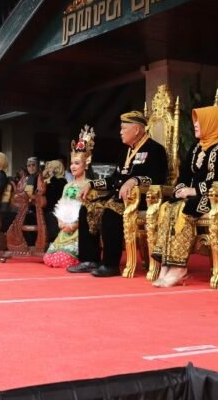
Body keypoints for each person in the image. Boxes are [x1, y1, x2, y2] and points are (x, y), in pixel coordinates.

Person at [68, 110, 168, 277]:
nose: (120, 132)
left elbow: (158, 178)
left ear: (136, 130)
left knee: (110, 211)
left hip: (142, 199)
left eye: (123, 128)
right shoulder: (126, 151)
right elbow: (115, 179)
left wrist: (135, 180)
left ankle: (110, 264)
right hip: (119, 196)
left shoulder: (154, 150)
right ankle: (89, 259)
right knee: (88, 207)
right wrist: (92, 184)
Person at [151, 106, 218, 287]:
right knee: (167, 207)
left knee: (184, 209)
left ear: (212, 123)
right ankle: (166, 264)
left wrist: (194, 191)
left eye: (199, 121)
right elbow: (184, 175)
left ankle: (179, 268)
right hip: (193, 196)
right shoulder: (195, 147)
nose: (195, 125)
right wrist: (179, 189)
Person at [43, 127, 95, 268]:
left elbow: (90, 211)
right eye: (71, 163)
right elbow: (61, 205)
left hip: (80, 229)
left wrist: (74, 225)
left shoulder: (89, 185)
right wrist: (61, 222)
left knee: (64, 259)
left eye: (77, 163)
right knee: (49, 258)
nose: (72, 166)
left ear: (86, 164)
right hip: (65, 227)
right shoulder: (67, 185)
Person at [42, 159, 68, 243]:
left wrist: (52, 176)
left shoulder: (62, 181)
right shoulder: (47, 180)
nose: (48, 169)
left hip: (54, 210)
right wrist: (42, 176)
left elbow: (55, 191)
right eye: (48, 167)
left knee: (52, 230)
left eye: (51, 167)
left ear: (57, 169)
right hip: (45, 209)